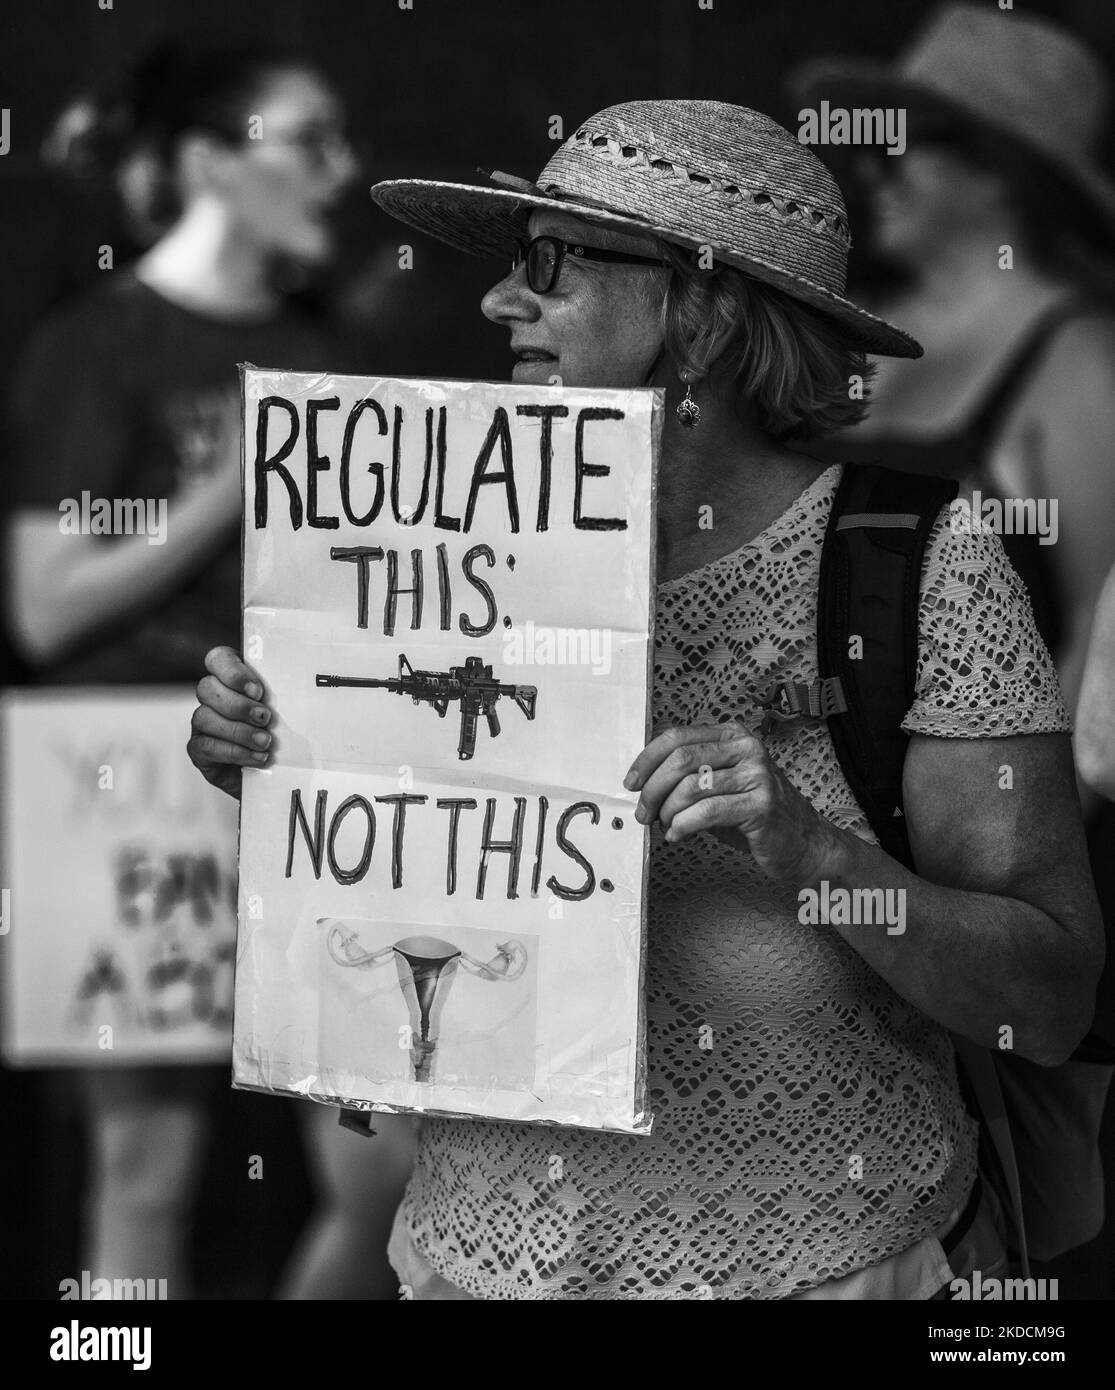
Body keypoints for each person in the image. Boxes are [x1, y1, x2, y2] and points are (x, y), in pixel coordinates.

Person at [188, 98, 1103, 1300]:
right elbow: (406, 929)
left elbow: (1042, 1002)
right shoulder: (434, 543)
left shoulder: (910, 562)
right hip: (474, 1267)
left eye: (551, 267)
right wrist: (277, 767)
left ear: (705, 315)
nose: (496, 303)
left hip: (818, 1273)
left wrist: (809, 848)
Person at [4, 39, 412, 1299]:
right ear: (208, 164)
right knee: (144, 1161)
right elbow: (44, 604)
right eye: (310, 141)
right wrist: (221, 491)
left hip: (298, 773)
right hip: (118, 776)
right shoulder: (100, 346)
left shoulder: (329, 355)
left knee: (380, 1165)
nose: (341, 175)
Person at [792, 2, 1115, 1291]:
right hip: (823, 877)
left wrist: (985, 887)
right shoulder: (859, 347)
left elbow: (1101, 688)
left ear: (1001, 177)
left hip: (998, 874)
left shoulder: (1078, 362)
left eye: (911, 144)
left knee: (1003, 1245)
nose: (873, 167)